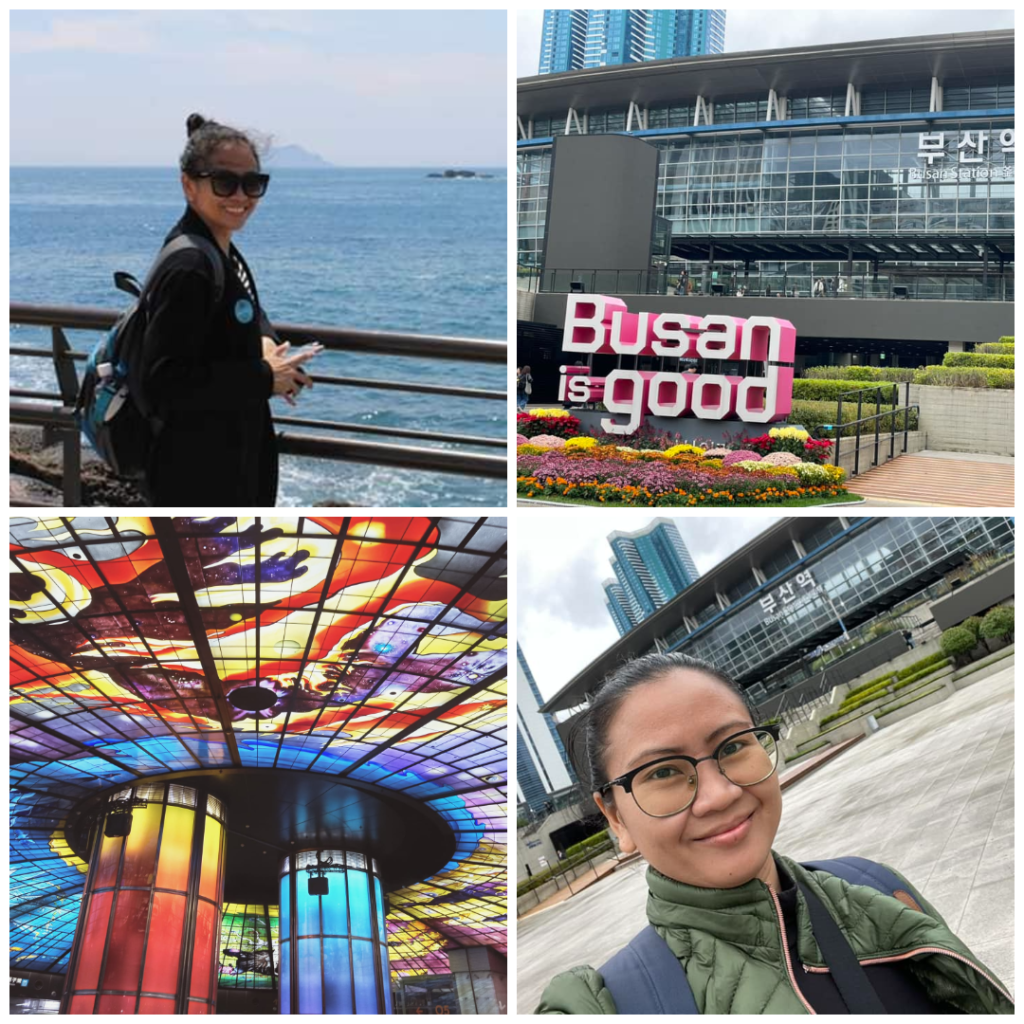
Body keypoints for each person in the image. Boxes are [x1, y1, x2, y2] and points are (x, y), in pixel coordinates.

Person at [537, 652, 1012, 1014]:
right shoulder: (605, 1005)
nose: (720, 795)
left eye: (733, 746)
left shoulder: (877, 889)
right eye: (662, 772)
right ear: (616, 818)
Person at [134, 113, 321, 505]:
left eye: (252, 183)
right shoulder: (190, 266)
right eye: (224, 182)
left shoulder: (218, 249)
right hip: (198, 478)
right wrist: (264, 377)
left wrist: (266, 345)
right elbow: (162, 383)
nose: (240, 196)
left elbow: (247, 309)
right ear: (189, 185)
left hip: (225, 466)